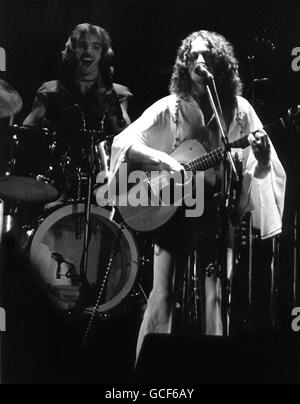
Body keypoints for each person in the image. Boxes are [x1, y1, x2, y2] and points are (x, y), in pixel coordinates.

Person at [102, 30, 286, 360]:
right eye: (193, 57)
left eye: (208, 56)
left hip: (218, 214)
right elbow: (123, 143)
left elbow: (257, 167)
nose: (201, 62)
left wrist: (259, 156)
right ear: (184, 66)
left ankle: (214, 370)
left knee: (218, 298)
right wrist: (164, 161)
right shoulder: (171, 109)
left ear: (221, 64)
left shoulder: (239, 110)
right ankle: (148, 374)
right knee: (164, 295)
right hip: (176, 213)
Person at [23, 23, 132, 204]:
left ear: (104, 54)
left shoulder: (118, 94)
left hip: (105, 186)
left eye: (96, 46)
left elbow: (129, 138)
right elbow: (25, 136)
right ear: (72, 51)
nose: (88, 51)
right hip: (55, 185)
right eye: (82, 45)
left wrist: (110, 101)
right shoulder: (50, 92)